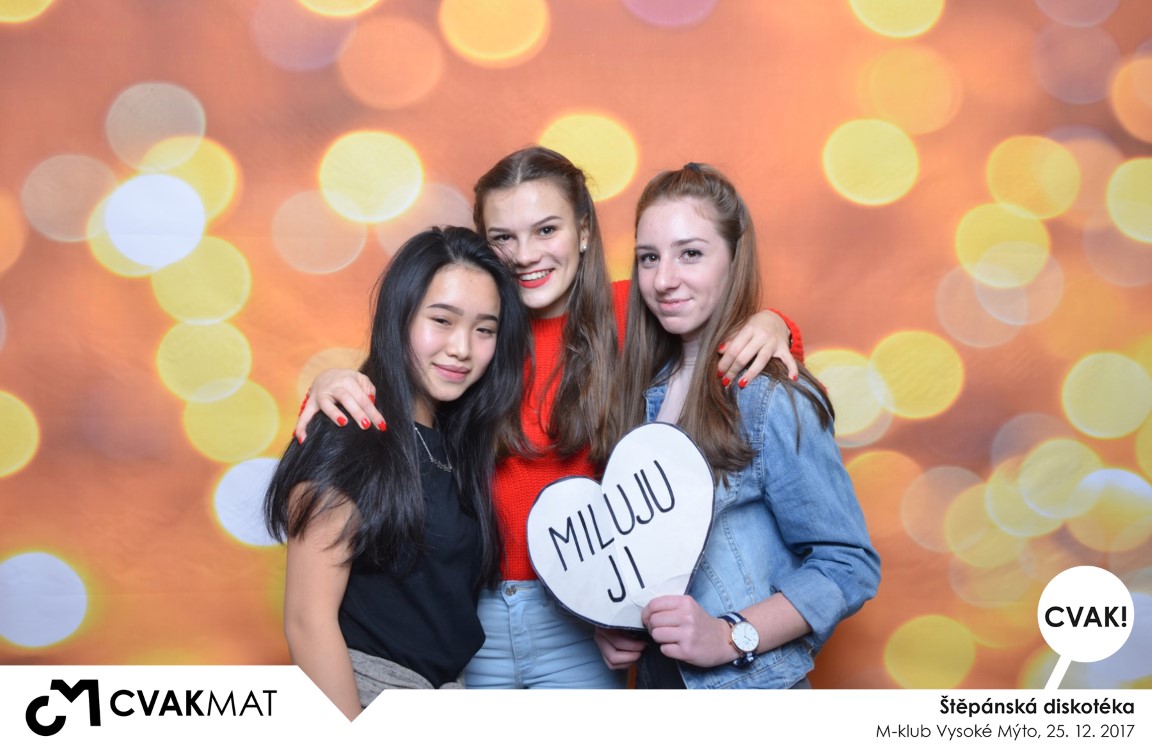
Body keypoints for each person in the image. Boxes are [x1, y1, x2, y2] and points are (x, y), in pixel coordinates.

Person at [295, 146, 805, 689]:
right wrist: (331, 384)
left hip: (582, 614)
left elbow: (719, 332)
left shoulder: (632, 312)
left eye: (546, 230)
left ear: (583, 230)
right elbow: (394, 392)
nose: (525, 255)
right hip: (474, 612)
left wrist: (775, 324)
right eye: (503, 237)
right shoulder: (477, 332)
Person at [594, 163, 880, 688]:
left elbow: (849, 564)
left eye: (691, 254)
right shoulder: (638, 395)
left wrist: (730, 635)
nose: (664, 279)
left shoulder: (768, 397)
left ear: (733, 258)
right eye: (649, 258)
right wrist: (616, 623)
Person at [263, 226, 530, 717]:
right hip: (362, 696)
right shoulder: (351, 429)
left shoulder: (454, 442)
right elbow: (307, 622)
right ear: (400, 315)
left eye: (484, 329)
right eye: (442, 320)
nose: (462, 348)